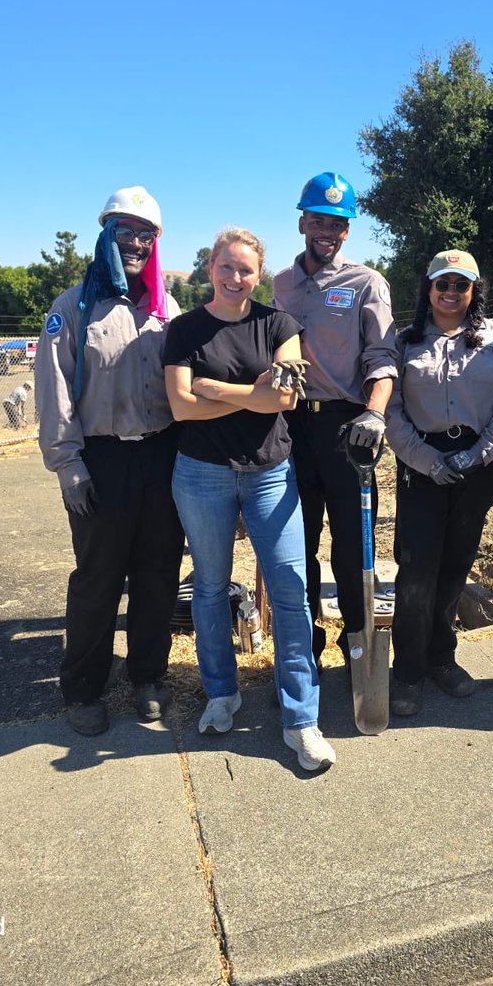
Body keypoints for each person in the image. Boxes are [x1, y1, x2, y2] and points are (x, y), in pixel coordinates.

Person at [164, 227, 336, 772]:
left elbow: (283, 398)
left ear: (259, 275)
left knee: (290, 589)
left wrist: (212, 388)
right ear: (210, 268)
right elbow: (180, 408)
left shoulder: (278, 325)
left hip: (269, 474)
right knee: (210, 588)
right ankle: (222, 694)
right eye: (227, 267)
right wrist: (250, 396)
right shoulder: (184, 330)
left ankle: (301, 718)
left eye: (246, 269)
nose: (235, 277)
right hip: (201, 475)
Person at [35, 186, 184, 736]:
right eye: (126, 231)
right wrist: (68, 467)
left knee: (157, 574)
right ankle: (83, 687)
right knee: (97, 580)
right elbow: (54, 393)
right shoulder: (73, 307)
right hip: (101, 461)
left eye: (147, 235)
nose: (136, 243)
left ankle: (148, 676)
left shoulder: (167, 310)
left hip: (162, 458)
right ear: (105, 235)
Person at [385, 250, 493, 716]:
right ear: (428, 289)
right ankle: (407, 671)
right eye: (442, 284)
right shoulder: (403, 342)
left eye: (460, 285)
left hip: (478, 465)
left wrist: (479, 453)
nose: (450, 293)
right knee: (416, 568)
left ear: (474, 291)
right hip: (421, 464)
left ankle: (441, 659)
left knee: (454, 565)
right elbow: (391, 409)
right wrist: (425, 460)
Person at [272, 172, 397, 667]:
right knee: (296, 544)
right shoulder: (281, 284)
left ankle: (358, 646)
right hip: (290, 427)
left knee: (353, 546)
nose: (328, 231)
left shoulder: (367, 283)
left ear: (347, 230)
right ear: (302, 222)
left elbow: (382, 358)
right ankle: (304, 646)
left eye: (338, 223)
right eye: (319, 220)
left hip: (349, 430)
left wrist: (375, 413)